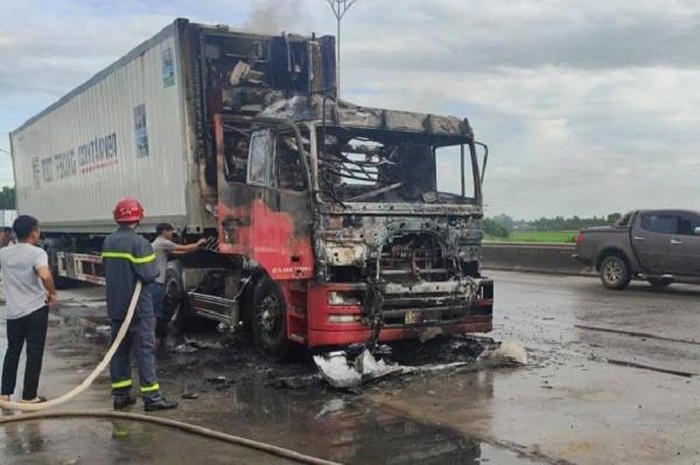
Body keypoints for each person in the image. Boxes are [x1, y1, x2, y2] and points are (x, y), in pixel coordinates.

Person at [102, 197, 177, 411]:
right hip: (138, 309)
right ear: (139, 218)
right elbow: (150, 274)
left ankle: (121, 395)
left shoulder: (109, 241)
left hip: (116, 306)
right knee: (145, 351)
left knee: (119, 349)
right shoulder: (139, 243)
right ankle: (152, 398)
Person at [0, 215, 57, 403]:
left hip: (13, 312)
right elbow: (44, 275)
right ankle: (29, 396)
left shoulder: (4, 253)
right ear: (34, 233)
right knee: (34, 353)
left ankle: (5, 394)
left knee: (12, 351)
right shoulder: (37, 253)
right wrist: (52, 292)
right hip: (35, 310)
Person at [151, 223, 205, 342]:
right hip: (157, 282)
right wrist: (198, 243)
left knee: (156, 309)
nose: (172, 234)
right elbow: (182, 248)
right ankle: (152, 337)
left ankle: (154, 336)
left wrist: (194, 248)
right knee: (156, 310)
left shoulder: (158, 244)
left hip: (156, 281)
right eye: (170, 231)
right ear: (164, 232)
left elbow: (177, 252)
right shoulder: (162, 242)